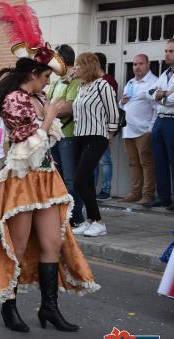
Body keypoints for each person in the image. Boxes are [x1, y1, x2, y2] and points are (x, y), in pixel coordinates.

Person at [0, 2, 99, 334]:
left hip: (46, 178)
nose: (47, 83)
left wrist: (51, 112)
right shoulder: (14, 100)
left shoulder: (38, 99)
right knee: (20, 245)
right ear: (32, 75)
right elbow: (27, 144)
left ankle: (49, 309)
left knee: (53, 243)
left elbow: (47, 138)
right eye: (45, 77)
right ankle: (10, 308)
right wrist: (51, 116)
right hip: (23, 179)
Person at [72, 53, 119, 237]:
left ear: (88, 66)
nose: (75, 68)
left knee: (79, 180)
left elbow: (113, 112)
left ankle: (99, 222)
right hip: (79, 136)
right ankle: (90, 219)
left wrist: (110, 133)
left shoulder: (103, 85)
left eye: (78, 65)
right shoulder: (81, 86)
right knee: (87, 180)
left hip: (96, 136)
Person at [46, 44, 85, 228]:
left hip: (68, 135)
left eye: (54, 58)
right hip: (54, 136)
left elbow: (69, 107)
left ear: (62, 60)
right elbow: (47, 104)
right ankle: (62, 214)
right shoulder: (55, 82)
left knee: (71, 179)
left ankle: (74, 216)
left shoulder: (75, 81)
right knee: (58, 178)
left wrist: (50, 111)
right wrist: (52, 109)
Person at [119, 54, 157, 204]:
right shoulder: (130, 82)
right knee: (133, 162)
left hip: (143, 130)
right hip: (128, 130)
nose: (137, 67)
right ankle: (135, 192)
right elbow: (123, 105)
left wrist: (151, 129)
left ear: (148, 65)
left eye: (140, 64)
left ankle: (148, 194)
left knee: (146, 163)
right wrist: (122, 102)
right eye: (134, 64)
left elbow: (156, 108)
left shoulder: (153, 82)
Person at [146, 38, 174, 210]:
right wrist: (163, 94)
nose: (167, 54)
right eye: (166, 51)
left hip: (172, 121)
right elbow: (149, 93)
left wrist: (160, 96)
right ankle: (163, 197)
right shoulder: (165, 74)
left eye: (171, 51)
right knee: (159, 160)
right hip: (160, 121)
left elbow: (173, 100)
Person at [94, 52, 117, 201]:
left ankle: (106, 190)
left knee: (104, 159)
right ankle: (91, 188)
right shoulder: (91, 81)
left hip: (103, 127)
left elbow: (110, 107)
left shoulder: (108, 81)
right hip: (92, 128)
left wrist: (111, 131)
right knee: (93, 162)